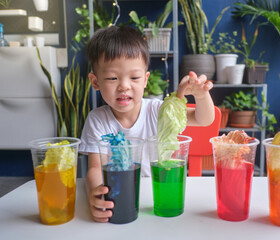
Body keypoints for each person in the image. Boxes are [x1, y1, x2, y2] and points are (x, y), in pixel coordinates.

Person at [79, 25, 214, 222]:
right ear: (96, 81)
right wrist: (97, 195)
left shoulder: (158, 111)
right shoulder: (97, 120)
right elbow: (95, 168)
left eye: (134, 77)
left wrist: (201, 96)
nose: (124, 85)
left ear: (145, 80)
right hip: (122, 199)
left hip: (159, 197)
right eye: (112, 78)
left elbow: (204, 119)